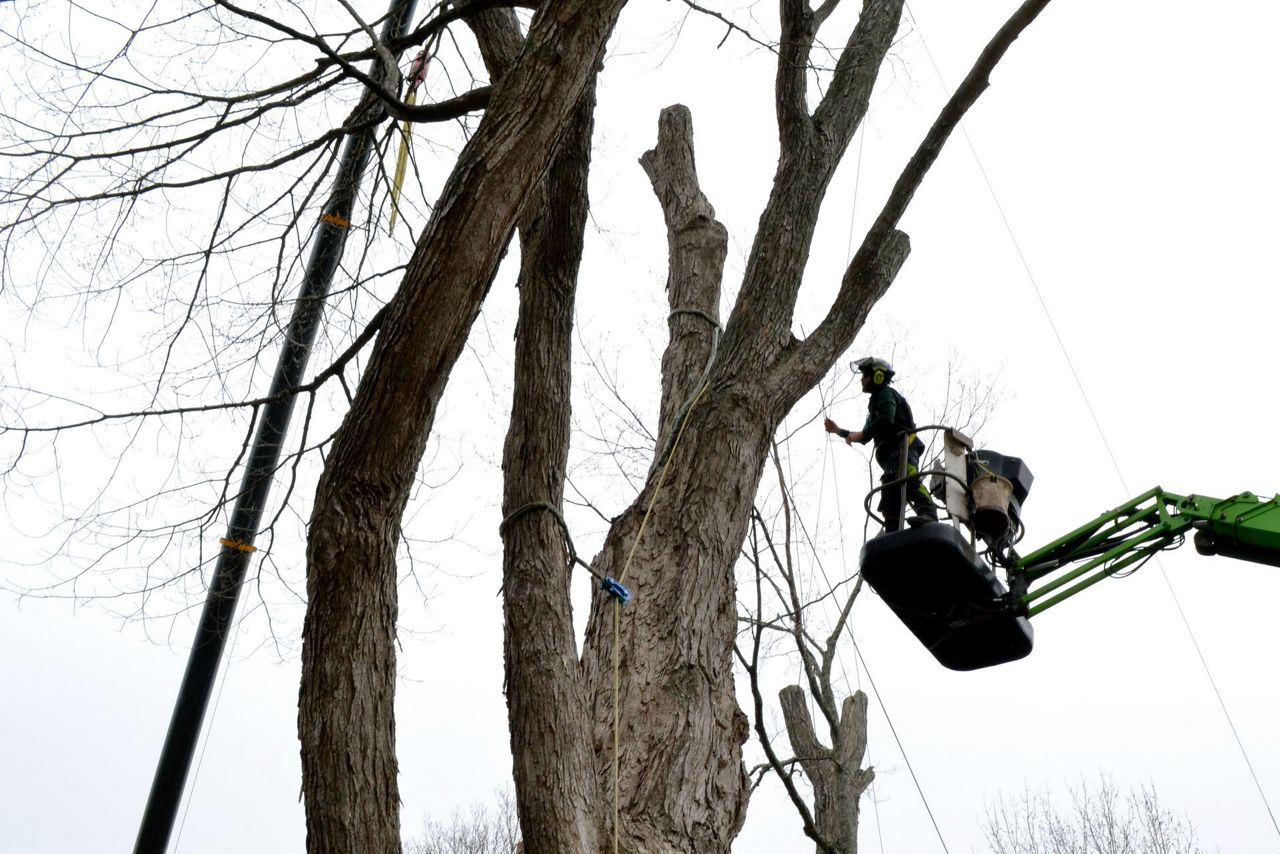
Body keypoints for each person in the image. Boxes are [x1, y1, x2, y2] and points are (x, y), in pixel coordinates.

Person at [824, 357, 939, 531]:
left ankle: (929, 513)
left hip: (903, 448)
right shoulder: (874, 407)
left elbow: (886, 419)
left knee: (908, 478)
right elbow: (863, 436)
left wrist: (861, 433)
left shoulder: (886, 394)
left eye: (865, 375)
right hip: (890, 457)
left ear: (877, 376)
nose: (861, 379)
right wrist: (838, 431)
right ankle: (892, 528)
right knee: (890, 488)